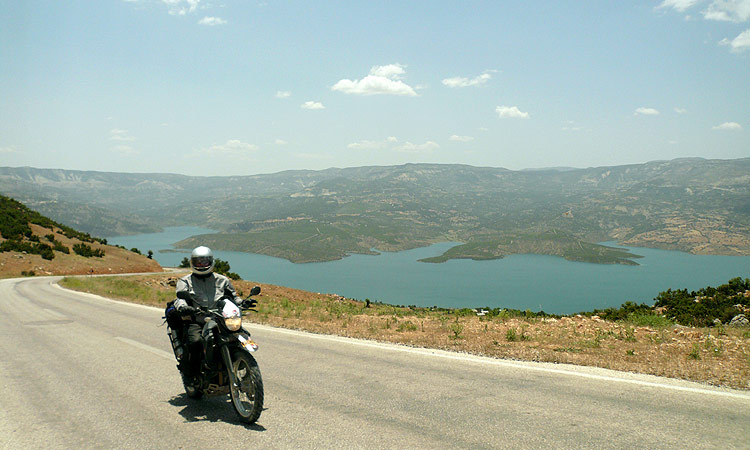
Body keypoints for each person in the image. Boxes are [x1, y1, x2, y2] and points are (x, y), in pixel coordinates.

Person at [173, 246, 242, 384]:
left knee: (239, 336)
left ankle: (243, 367)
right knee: (195, 341)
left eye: (205, 261)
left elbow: (233, 296)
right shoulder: (185, 281)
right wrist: (184, 307)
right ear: (192, 263)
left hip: (221, 319)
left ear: (211, 261)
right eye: (198, 262)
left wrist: (243, 303)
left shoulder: (222, 280)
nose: (202, 264)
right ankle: (190, 374)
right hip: (198, 320)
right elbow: (179, 298)